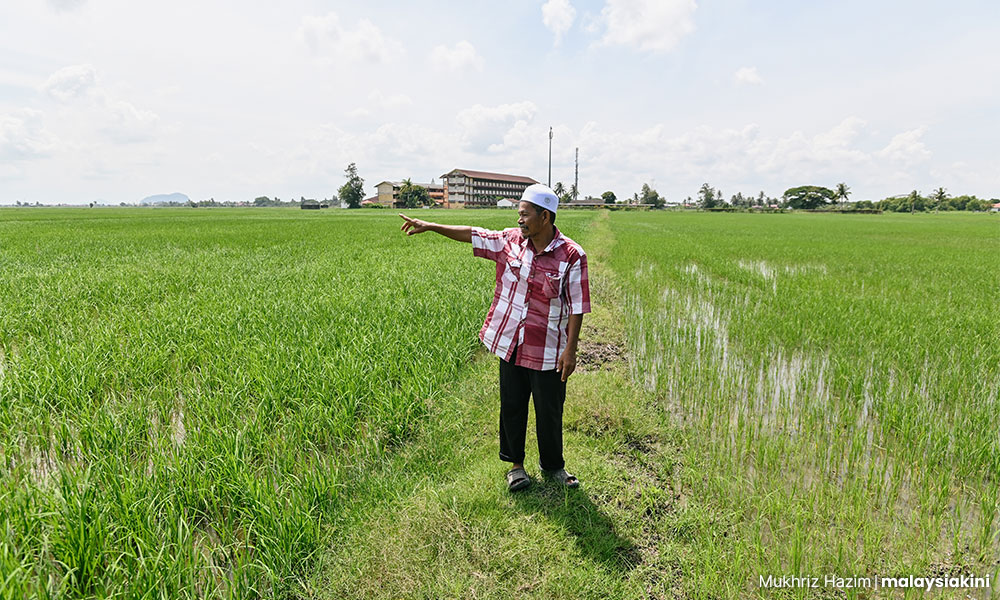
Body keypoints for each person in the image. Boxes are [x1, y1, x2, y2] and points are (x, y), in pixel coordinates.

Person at [399, 184, 590, 491]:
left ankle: (554, 466)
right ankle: (515, 466)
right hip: (511, 343)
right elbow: (473, 233)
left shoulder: (571, 255)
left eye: (525, 215)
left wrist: (571, 350)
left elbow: (578, 306)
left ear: (545, 217)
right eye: (519, 214)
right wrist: (431, 226)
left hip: (549, 349)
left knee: (550, 410)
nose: (520, 220)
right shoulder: (509, 242)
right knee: (512, 405)